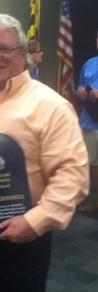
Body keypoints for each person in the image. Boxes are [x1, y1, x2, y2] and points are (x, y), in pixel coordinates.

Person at [0, 13, 89, 291]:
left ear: (23, 53)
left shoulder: (50, 106)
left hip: (21, 241)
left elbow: (72, 176)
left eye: (4, 48)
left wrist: (35, 222)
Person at [76, 31, 98, 213]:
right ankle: (97, 202)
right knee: (92, 164)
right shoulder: (89, 64)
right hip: (89, 122)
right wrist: (81, 91)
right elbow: (79, 87)